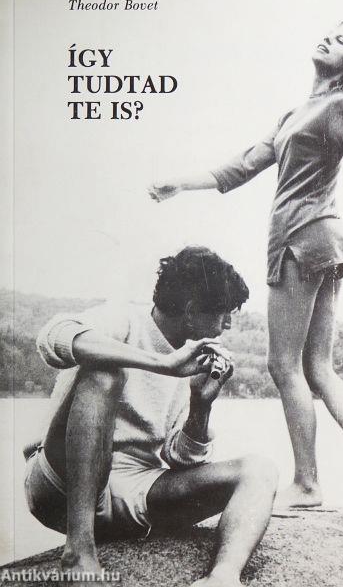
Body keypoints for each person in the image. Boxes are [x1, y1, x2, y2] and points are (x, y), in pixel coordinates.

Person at [148, 22, 343, 512]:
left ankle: (306, 483)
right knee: (318, 368)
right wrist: (180, 184)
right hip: (324, 243)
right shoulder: (295, 114)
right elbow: (242, 165)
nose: (328, 40)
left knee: (283, 365)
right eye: (329, 34)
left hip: (301, 241)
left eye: (341, 41)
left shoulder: (338, 108)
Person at [24, 246, 278, 587]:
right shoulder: (123, 319)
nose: (228, 324)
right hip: (61, 487)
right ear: (191, 311)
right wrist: (163, 364)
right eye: (224, 312)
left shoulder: (193, 356)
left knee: (260, 469)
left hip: (136, 495)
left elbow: (181, 460)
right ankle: (79, 552)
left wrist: (200, 405)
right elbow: (52, 337)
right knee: (105, 374)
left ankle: (222, 577)